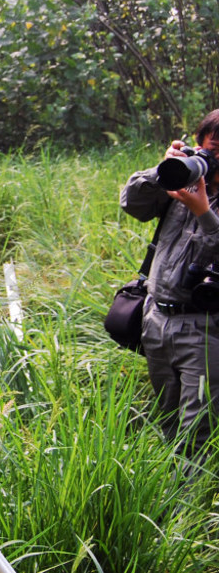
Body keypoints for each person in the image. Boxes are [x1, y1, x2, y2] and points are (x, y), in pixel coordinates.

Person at [120, 109, 219, 464]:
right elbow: (131, 203)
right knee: (167, 420)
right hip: (156, 319)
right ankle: (165, 497)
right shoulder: (180, 181)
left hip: (206, 329)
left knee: (197, 433)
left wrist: (204, 212)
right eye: (213, 150)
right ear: (198, 146)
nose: (216, 160)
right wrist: (163, 170)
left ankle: (187, 514)